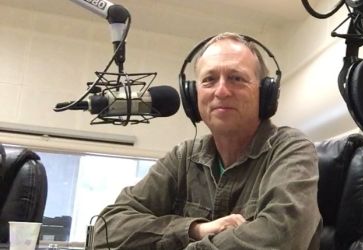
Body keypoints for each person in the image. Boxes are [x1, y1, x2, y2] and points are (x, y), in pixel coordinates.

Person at [93, 32, 322, 249]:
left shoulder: (291, 148)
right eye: (209, 79)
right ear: (193, 95)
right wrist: (195, 230)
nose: (221, 91)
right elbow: (106, 231)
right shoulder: (183, 157)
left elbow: (281, 239)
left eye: (236, 78)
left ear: (265, 93)